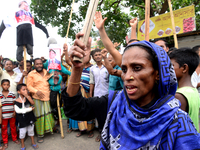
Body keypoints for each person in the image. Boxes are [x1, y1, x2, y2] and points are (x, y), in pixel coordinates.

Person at [62, 32, 200, 149]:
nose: (127, 77)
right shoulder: (114, 103)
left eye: (137, 68)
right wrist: (77, 68)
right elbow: (74, 109)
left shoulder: (177, 121)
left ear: (158, 73)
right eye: (124, 69)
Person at [169, 48, 200, 132]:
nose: (167, 70)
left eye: (171, 66)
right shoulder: (194, 91)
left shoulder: (179, 96)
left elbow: (175, 128)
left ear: (184, 68)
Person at [27, 58, 55, 143]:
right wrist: (36, 91)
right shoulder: (31, 74)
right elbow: (29, 86)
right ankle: (40, 134)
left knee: (48, 114)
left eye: (40, 64)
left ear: (42, 64)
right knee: (39, 117)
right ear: (34, 65)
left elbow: (53, 80)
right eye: (37, 64)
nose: (39, 65)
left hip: (47, 97)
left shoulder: (47, 72)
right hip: (37, 98)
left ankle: (49, 130)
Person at [14, 84, 38, 150]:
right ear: (18, 91)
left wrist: (27, 96)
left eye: (26, 89)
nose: (25, 91)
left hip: (30, 117)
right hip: (22, 120)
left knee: (31, 131)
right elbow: (18, 111)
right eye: (23, 89)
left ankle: (33, 142)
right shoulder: (16, 101)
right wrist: (29, 109)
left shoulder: (28, 98)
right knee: (22, 132)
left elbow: (32, 103)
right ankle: (22, 144)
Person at [0, 79, 20, 149]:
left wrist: (14, 112)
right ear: (1, 85)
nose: (6, 86)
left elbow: (14, 104)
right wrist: (0, 116)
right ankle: (5, 142)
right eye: (4, 84)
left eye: (7, 84)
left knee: (13, 127)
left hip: (12, 114)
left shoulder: (12, 94)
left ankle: (15, 138)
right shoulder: (0, 94)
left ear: (9, 85)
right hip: (3, 115)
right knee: (4, 129)